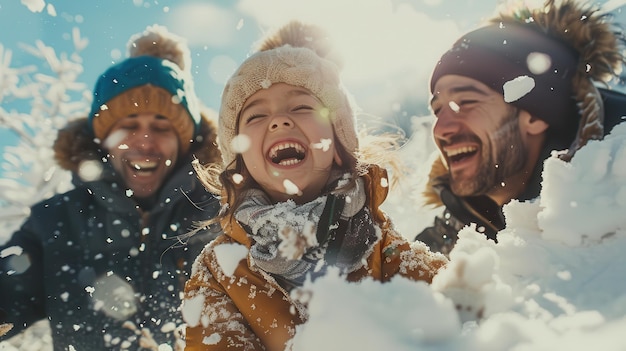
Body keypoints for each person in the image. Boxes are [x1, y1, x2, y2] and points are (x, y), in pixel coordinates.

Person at [181, 21, 448, 351]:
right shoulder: (220, 270)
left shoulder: (377, 239)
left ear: (338, 146)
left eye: (302, 107)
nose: (280, 120)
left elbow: (453, 307)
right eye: (255, 116)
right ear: (240, 160)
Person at [0, 25, 221, 350]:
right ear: (102, 140)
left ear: (184, 140)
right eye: (129, 125)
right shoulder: (57, 220)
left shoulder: (222, 216)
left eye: (161, 126)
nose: (145, 141)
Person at [415, 0, 626, 255]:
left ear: (535, 116)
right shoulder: (459, 226)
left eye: (466, 102)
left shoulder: (615, 206)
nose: (441, 129)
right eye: (438, 110)